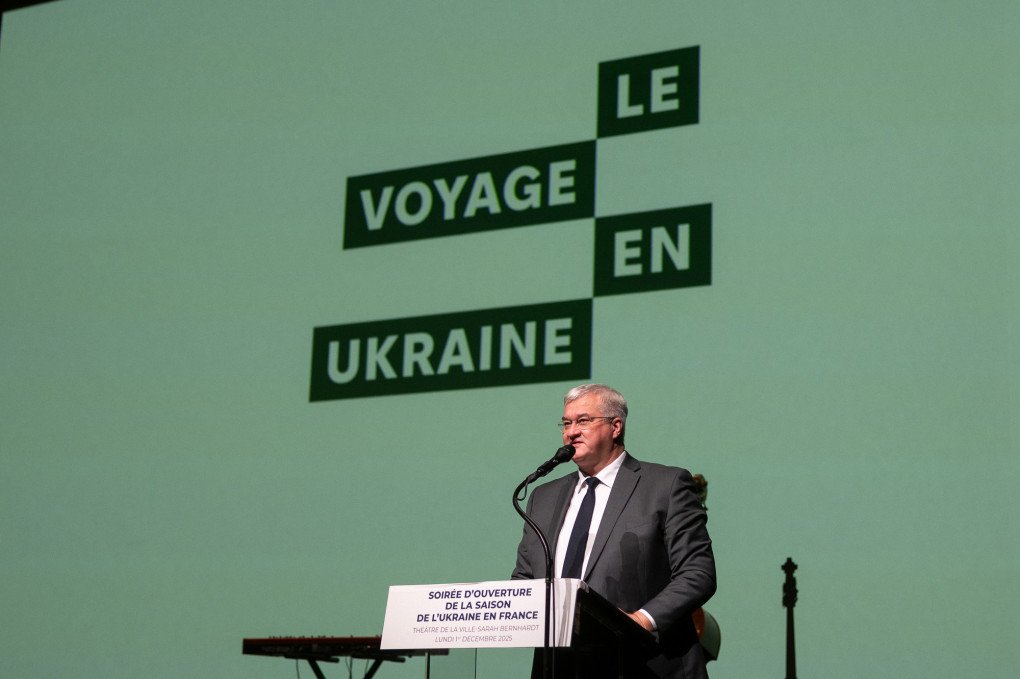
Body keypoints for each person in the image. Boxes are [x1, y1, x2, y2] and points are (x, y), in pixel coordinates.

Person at [512, 383, 717, 679]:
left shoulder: (665, 486)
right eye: (566, 423)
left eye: (583, 421)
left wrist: (641, 621)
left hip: (643, 663)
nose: (571, 431)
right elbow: (524, 578)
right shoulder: (543, 498)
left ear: (615, 426)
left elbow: (698, 572)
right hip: (559, 666)